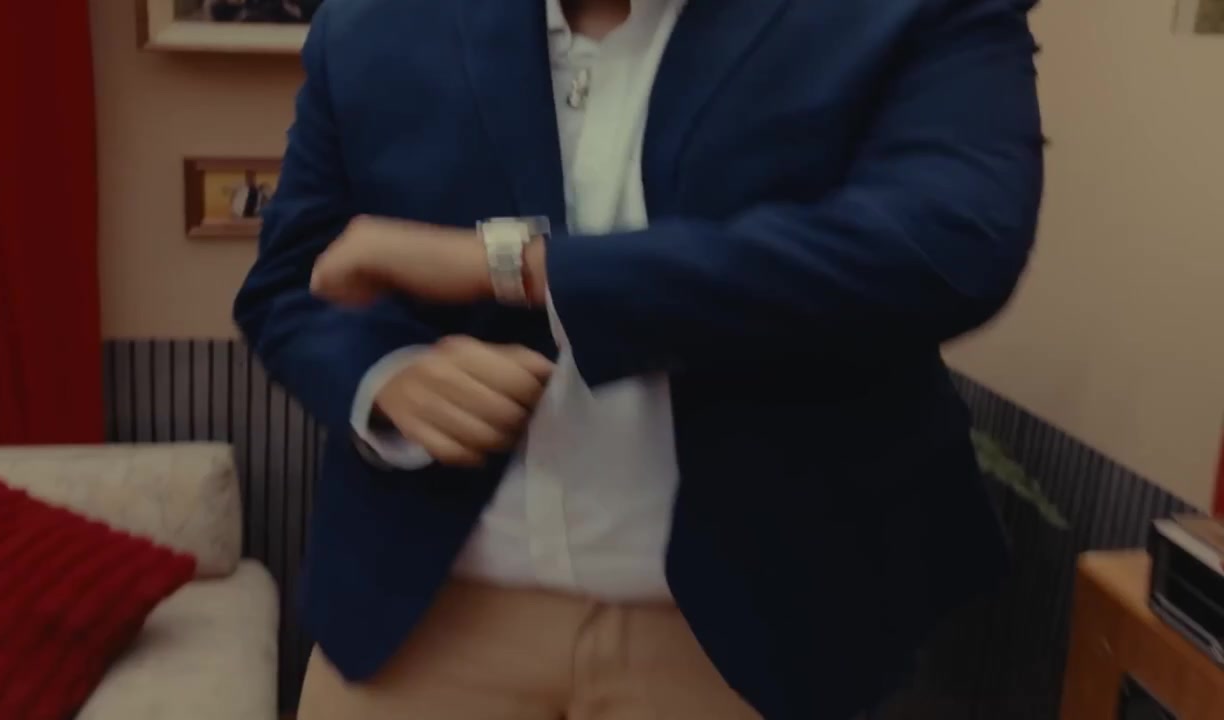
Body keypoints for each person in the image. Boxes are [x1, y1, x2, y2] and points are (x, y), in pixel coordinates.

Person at [234, 0, 1043, 717]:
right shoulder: (372, 23)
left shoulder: (912, 11)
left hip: (756, 641)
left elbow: (946, 246)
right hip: (415, 625)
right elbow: (293, 282)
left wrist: (521, 267)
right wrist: (383, 378)